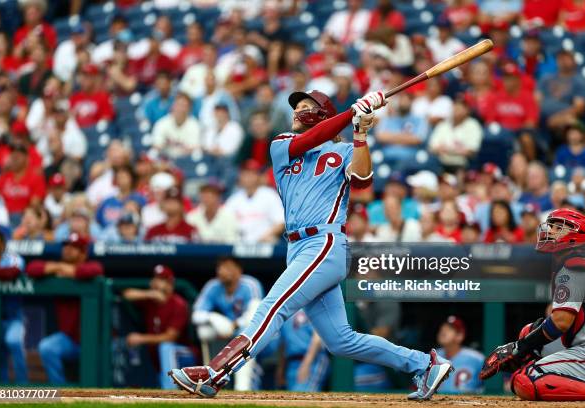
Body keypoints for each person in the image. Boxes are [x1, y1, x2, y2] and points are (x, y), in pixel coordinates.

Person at [170, 90, 453, 400]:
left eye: (306, 107)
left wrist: (359, 132)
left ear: (323, 114)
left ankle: (216, 372)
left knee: (273, 305)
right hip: (297, 246)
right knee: (341, 341)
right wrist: (350, 114)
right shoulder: (282, 145)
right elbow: (312, 139)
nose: (297, 111)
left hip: (325, 241)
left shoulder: (343, 150)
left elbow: (362, 180)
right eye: (297, 106)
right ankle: (425, 365)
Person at [480, 208, 585, 401]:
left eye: (559, 228)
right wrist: (523, 347)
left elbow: (561, 322)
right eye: (551, 226)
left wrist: (519, 347)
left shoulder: (576, 266)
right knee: (529, 331)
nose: (550, 231)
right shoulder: (579, 263)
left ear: (578, 235)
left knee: (526, 380)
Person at [27, 233, 103, 384]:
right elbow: (31, 269)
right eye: (66, 246)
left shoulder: (92, 265)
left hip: (95, 338)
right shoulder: (56, 269)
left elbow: (93, 270)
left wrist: (69, 271)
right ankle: (61, 392)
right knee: (47, 347)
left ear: (83, 253)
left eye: (73, 247)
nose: (67, 250)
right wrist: (58, 266)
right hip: (69, 339)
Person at [192, 256, 263, 391]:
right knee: (203, 330)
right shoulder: (213, 286)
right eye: (221, 268)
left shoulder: (250, 284)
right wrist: (213, 317)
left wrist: (235, 324)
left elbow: (256, 315)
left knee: (246, 334)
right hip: (232, 332)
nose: (223, 271)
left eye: (228, 267)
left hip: (258, 335)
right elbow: (196, 315)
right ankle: (209, 381)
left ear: (239, 270)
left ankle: (243, 388)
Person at [122, 265, 195, 389]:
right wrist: (149, 294)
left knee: (166, 348)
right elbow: (127, 294)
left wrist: (141, 338)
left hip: (184, 354)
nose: (156, 283)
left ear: (170, 284)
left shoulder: (178, 304)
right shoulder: (150, 301)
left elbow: (170, 337)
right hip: (159, 358)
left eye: (161, 280)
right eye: (155, 278)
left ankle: (170, 391)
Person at [0, 228, 27, 384]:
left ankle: (23, 388)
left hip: (13, 317)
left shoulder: (12, 258)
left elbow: (12, 272)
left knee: (13, 341)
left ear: (2, 245)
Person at [225, 159, 285, 244]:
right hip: (238, 245)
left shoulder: (269, 195)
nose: (248, 177)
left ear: (258, 176)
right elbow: (225, 222)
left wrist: (266, 236)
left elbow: (281, 222)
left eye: (252, 173)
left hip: (264, 244)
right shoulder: (234, 199)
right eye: (245, 173)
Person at [277, 311, 329, 392]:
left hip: (313, 359)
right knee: (292, 398)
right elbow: (284, 343)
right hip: (291, 362)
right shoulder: (283, 310)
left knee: (304, 396)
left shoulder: (309, 304)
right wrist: (281, 368)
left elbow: (318, 338)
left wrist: (306, 364)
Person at [429, 98, 483, 171]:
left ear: (467, 110)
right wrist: (455, 149)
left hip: (462, 162)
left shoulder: (473, 125)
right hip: (440, 161)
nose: (456, 110)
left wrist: (448, 149)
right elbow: (432, 147)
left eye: (460, 108)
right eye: (455, 107)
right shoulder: (443, 124)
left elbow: (471, 151)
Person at [436, 316, 484, 394]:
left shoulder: (477, 358)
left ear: (460, 336)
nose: (443, 332)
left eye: (449, 329)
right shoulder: (431, 357)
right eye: (442, 329)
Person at [151, 92, 201, 159]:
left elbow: (194, 149)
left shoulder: (194, 125)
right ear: (173, 106)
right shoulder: (162, 123)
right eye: (178, 105)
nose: (180, 109)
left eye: (184, 106)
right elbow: (156, 146)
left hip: (186, 161)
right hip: (165, 160)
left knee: (197, 154)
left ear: (189, 109)